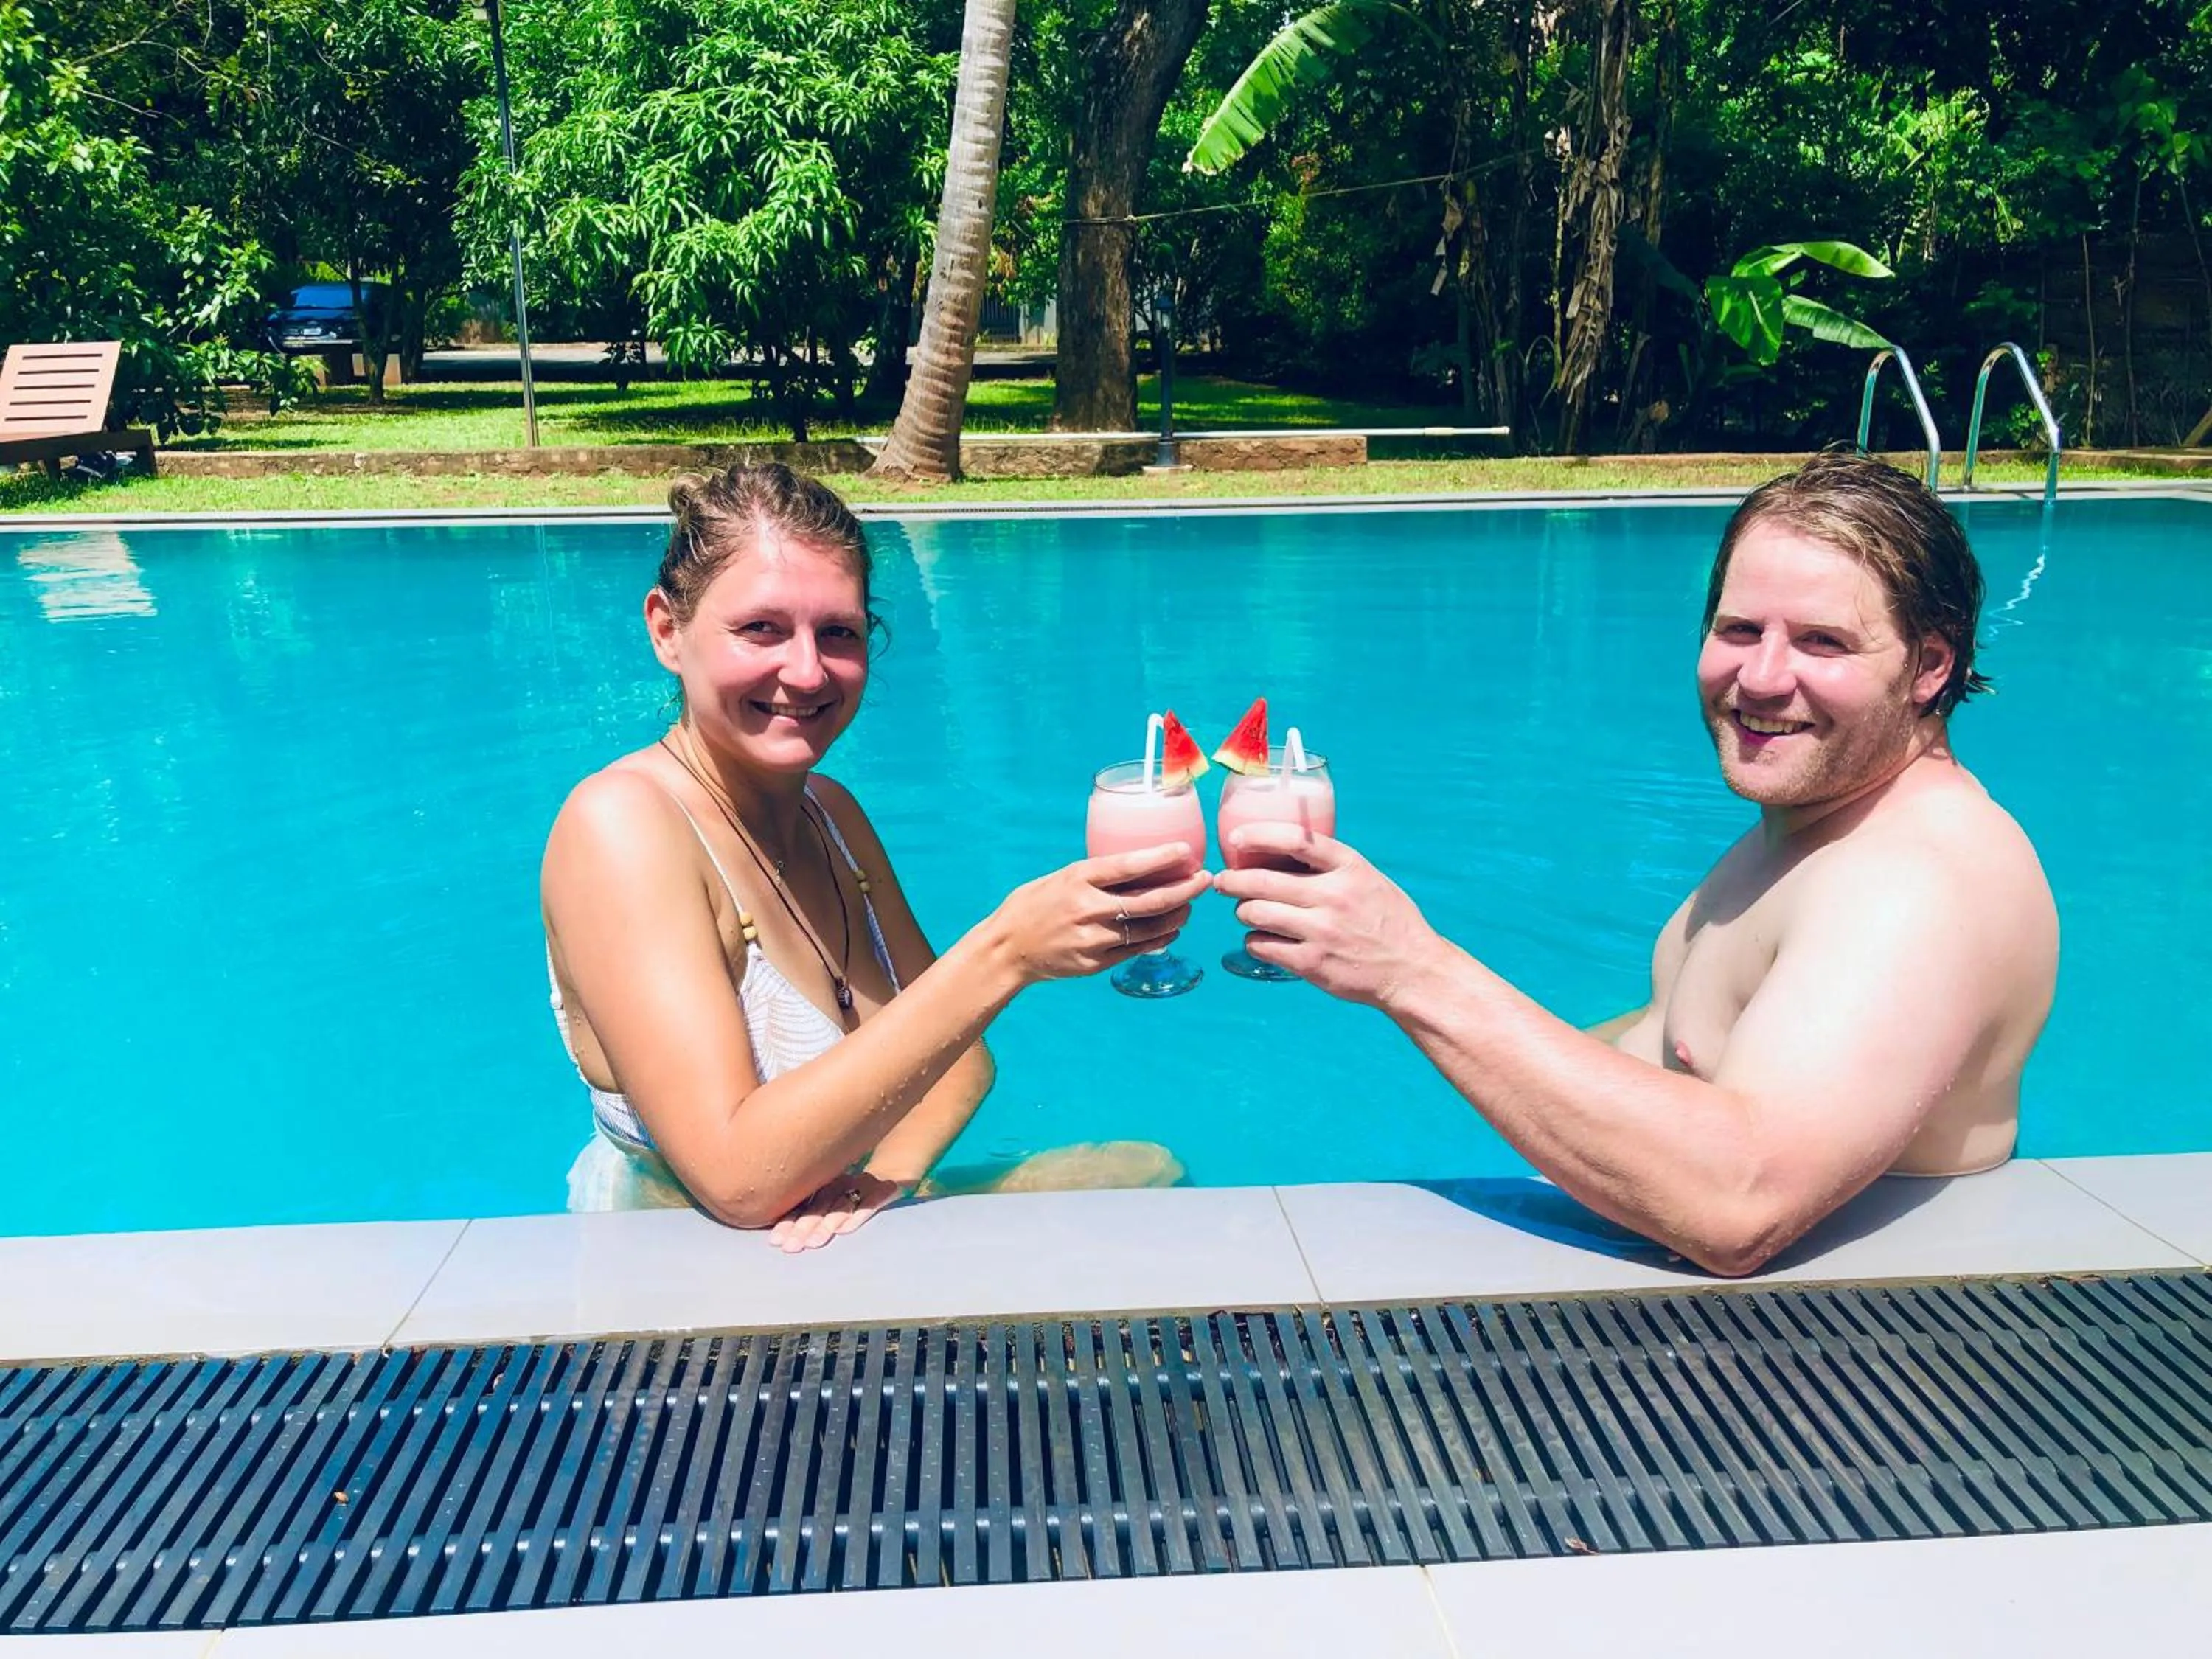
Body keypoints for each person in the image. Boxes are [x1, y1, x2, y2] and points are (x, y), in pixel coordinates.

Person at [1214, 452, 2059, 1276]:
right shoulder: (1822, 825)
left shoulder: (1912, 883)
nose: (1763, 677)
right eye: (1739, 630)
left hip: (1816, 1348)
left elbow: (1740, 1206)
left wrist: (1413, 972)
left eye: (1822, 642)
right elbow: (1673, 1042)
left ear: (1931, 665)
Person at [542, 464, 1203, 1249]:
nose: (806, 671)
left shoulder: (830, 814)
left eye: (839, 633)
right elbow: (736, 1178)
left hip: (826, 1235)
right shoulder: (622, 827)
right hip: (693, 1260)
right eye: (761, 629)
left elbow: (959, 1065)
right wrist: (1006, 953)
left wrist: (881, 1188)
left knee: (1147, 1170)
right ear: (666, 630)